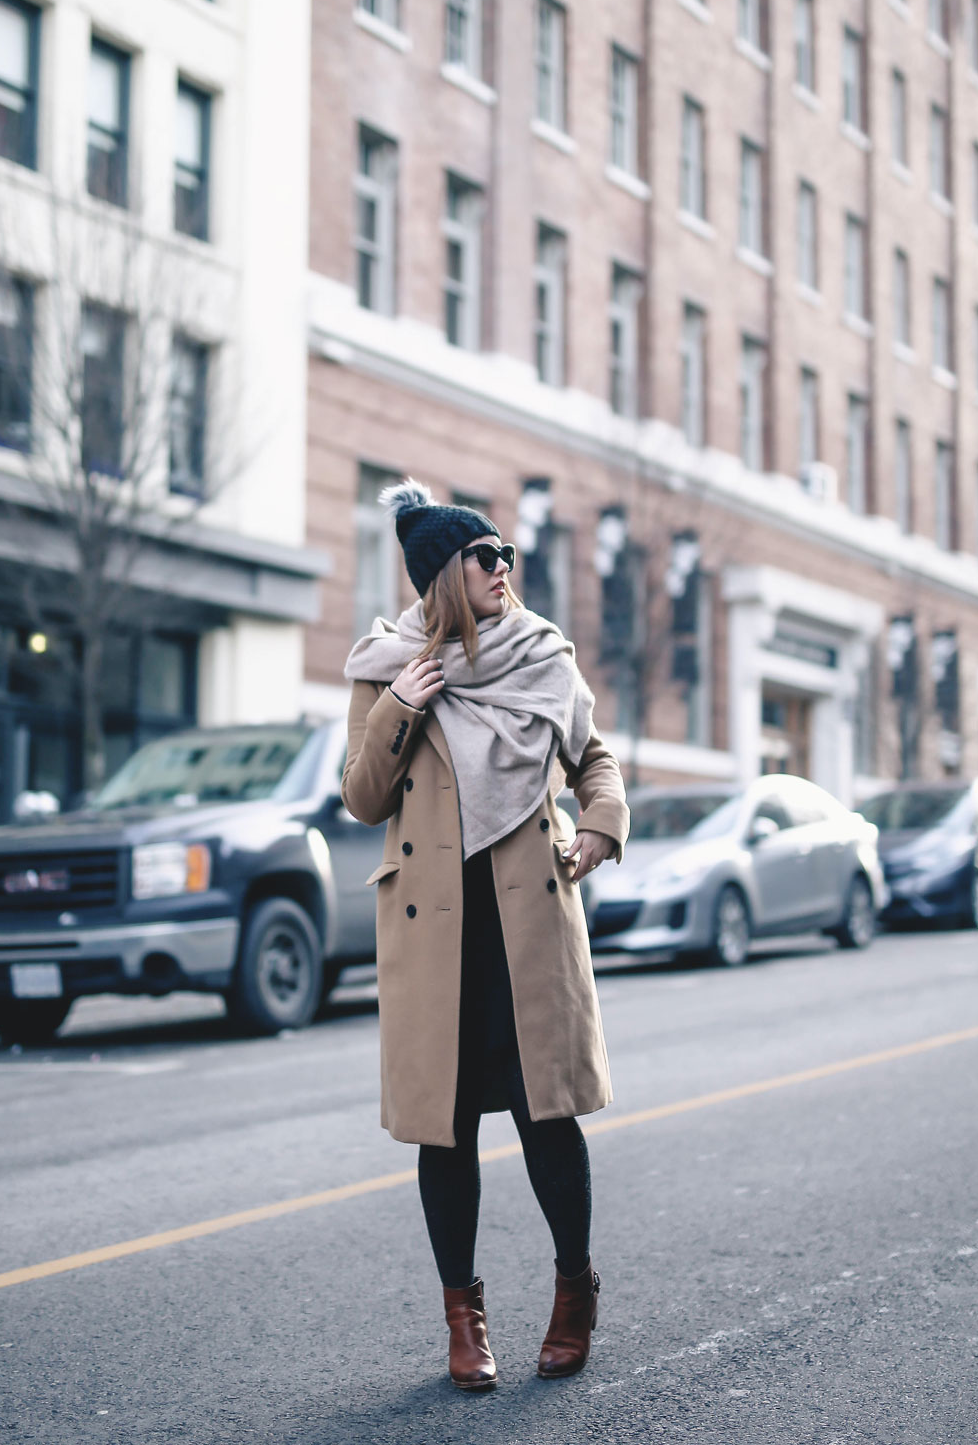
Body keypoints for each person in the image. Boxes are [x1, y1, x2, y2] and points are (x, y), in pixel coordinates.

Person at [342, 480, 629, 1391]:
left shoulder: (540, 653)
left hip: (526, 919)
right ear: (442, 577)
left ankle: (574, 1290)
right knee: (447, 1130)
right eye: (485, 557)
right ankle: (463, 1323)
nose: (505, 569)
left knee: (549, 1116)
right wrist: (399, 705)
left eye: (507, 554)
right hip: (437, 932)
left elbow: (592, 756)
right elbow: (360, 797)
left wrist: (601, 818)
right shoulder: (384, 667)